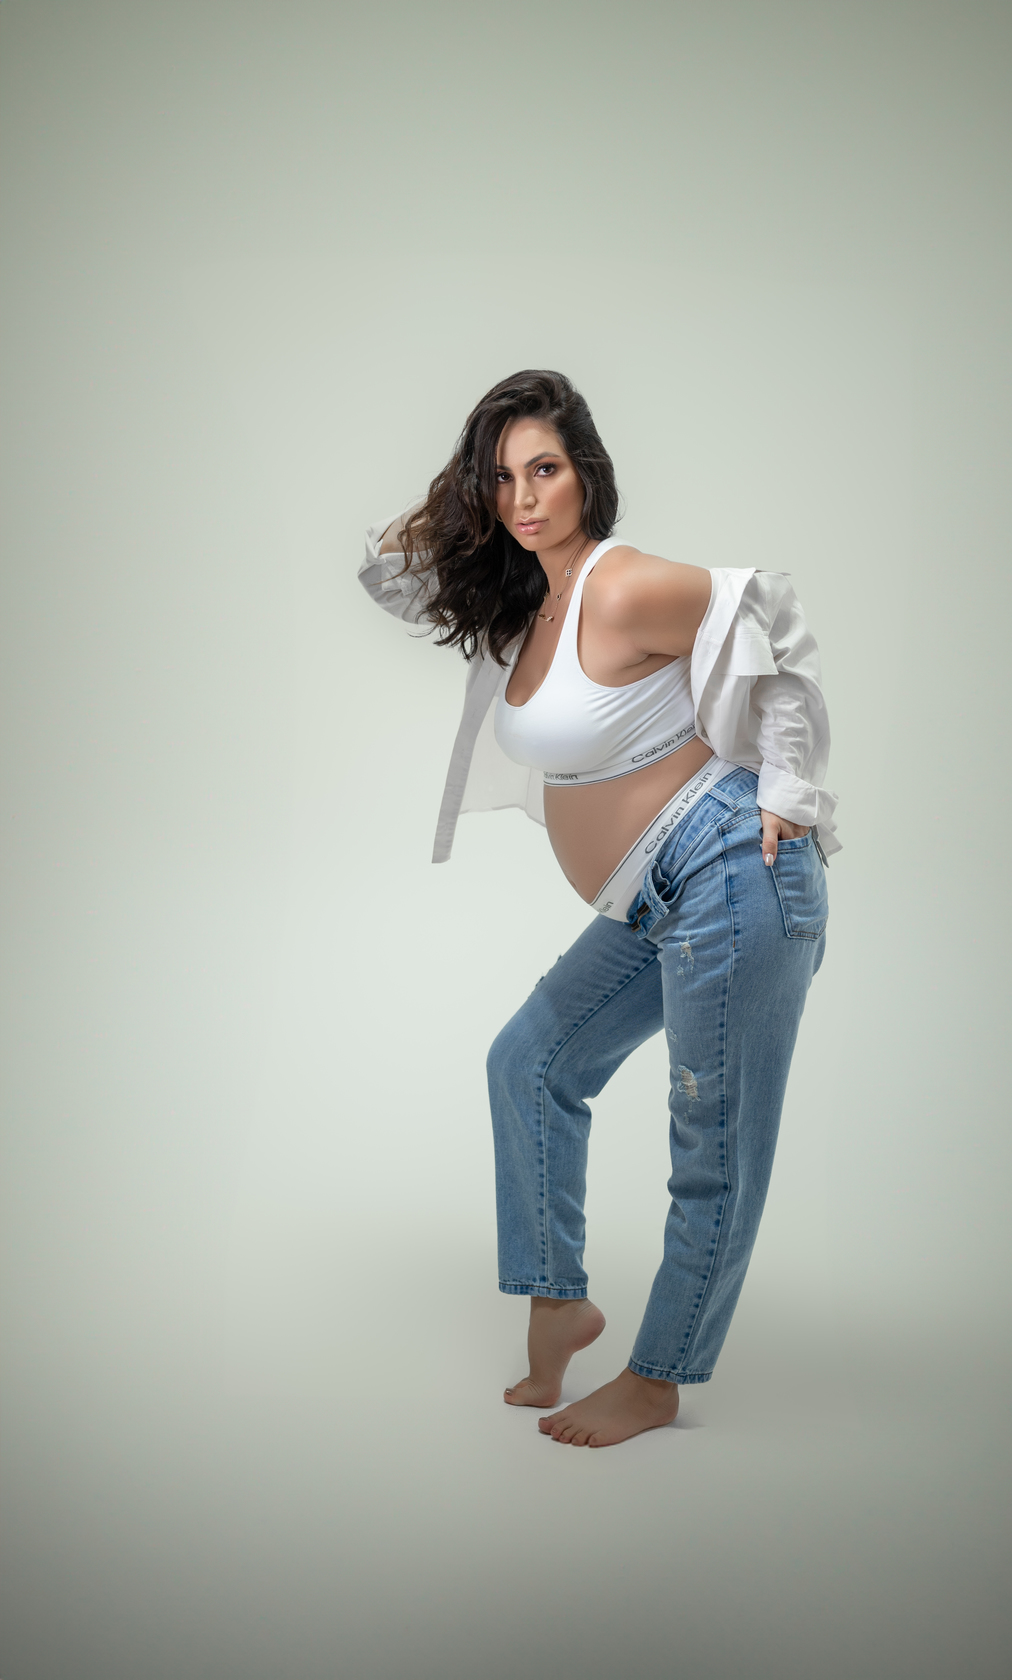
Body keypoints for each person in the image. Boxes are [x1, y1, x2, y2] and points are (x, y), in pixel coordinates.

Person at [359, 370, 838, 1447]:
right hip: (653, 903)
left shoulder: (620, 587)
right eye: (501, 478)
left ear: (587, 475)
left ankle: (658, 1378)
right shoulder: (524, 609)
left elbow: (773, 620)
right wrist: (456, 499)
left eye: (545, 469)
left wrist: (791, 791)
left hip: (733, 873)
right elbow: (388, 578)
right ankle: (557, 1304)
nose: (525, 497)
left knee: (712, 1145)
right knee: (529, 1062)